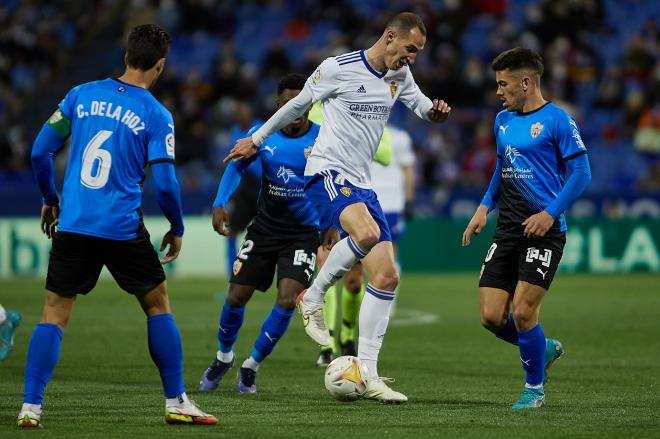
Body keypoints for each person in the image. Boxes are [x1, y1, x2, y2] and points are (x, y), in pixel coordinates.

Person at [226, 12, 451, 403]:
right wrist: (258, 139)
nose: (412, 58)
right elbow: (296, 106)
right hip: (327, 172)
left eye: (418, 53)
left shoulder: (400, 76)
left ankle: (368, 373)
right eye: (410, 49)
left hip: (363, 185)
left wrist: (436, 112)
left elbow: (421, 107)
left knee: (386, 277)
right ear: (390, 36)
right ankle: (313, 295)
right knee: (366, 235)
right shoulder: (337, 68)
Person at [18, 24, 217, 428]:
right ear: (160, 65)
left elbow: (40, 151)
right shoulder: (157, 114)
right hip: (122, 227)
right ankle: (176, 401)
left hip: (73, 224)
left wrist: (49, 198)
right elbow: (165, 183)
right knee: (157, 303)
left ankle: (30, 407)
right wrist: (177, 226)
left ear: (126, 56)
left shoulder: (81, 94)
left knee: (53, 314)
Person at [462, 47, 592, 409]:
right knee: (490, 316)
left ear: (527, 82)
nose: (498, 91)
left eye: (503, 84)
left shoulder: (558, 120)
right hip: (507, 230)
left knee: (522, 312)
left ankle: (534, 389)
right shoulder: (502, 120)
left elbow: (582, 173)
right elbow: (501, 170)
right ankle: (543, 347)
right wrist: (484, 206)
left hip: (544, 231)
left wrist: (550, 213)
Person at [200, 74, 337, 393]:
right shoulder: (263, 135)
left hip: (304, 234)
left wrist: (334, 224)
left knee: (288, 301)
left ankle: (251, 367)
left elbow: (338, 181)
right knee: (236, 296)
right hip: (264, 229)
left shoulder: (324, 138)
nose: (295, 109)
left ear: (310, 102)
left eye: (300, 102)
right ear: (279, 105)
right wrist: (220, 202)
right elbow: (235, 166)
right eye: (288, 102)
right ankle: (223, 357)